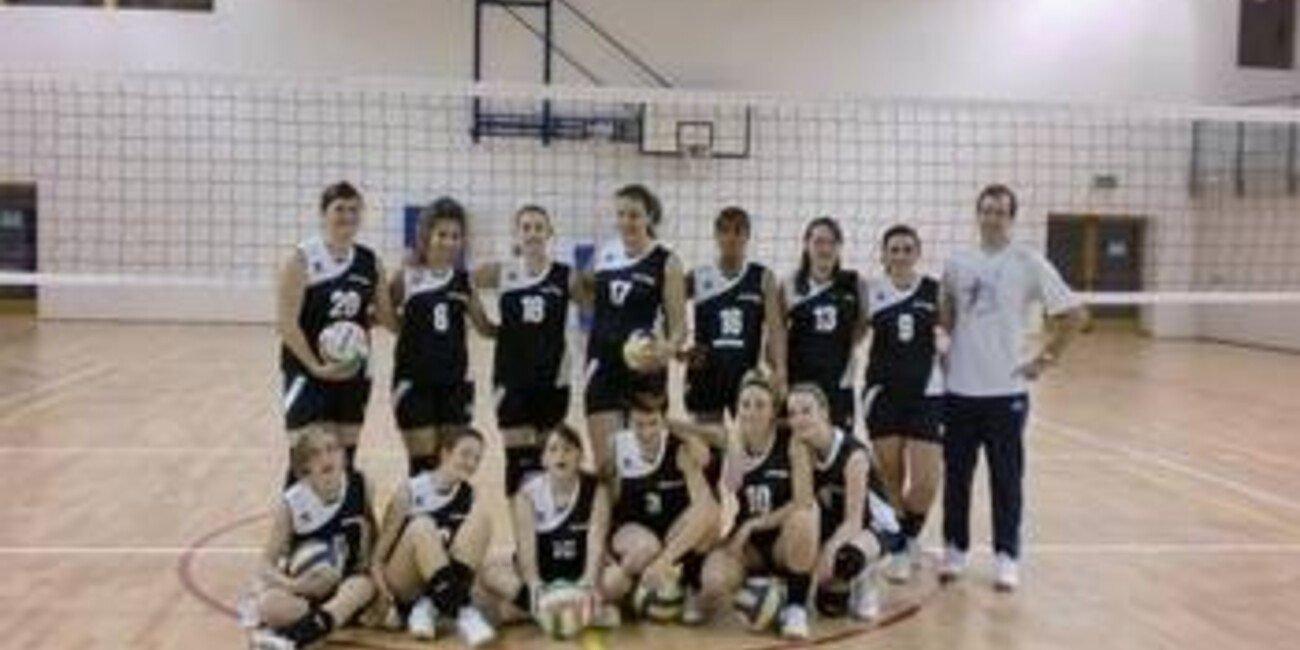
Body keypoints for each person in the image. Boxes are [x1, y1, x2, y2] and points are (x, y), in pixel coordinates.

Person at [939, 183, 1085, 591]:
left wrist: (1044, 360)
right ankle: (954, 550)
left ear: (1011, 218)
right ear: (978, 214)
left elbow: (1074, 315)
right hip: (959, 391)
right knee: (957, 478)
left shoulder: (1028, 262)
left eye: (1000, 212)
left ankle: (1007, 556)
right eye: (986, 210)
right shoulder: (956, 263)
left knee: (1006, 478)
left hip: (1006, 394)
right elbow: (945, 314)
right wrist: (941, 347)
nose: (992, 218)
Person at [277, 182, 395, 479]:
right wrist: (316, 367)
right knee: (305, 458)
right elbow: (287, 324)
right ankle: (297, 510)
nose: (347, 216)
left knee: (344, 458)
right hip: (306, 371)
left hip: (353, 370)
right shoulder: (302, 258)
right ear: (324, 214)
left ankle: (344, 509)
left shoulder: (369, 262)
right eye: (339, 209)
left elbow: (386, 317)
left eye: (354, 209)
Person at [695, 371, 817, 638]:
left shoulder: (792, 443)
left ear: (773, 411)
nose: (752, 412)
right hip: (749, 547)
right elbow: (727, 487)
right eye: (745, 405)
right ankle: (763, 592)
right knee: (714, 582)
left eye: (760, 405)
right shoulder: (732, 443)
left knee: (804, 518)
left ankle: (796, 607)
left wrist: (753, 524)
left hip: (783, 539)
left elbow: (803, 499)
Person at [580, 185, 687, 476]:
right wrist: (598, 316)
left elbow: (679, 327)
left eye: (634, 215)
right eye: (621, 214)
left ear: (649, 217)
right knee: (607, 466)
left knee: (644, 465)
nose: (626, 222)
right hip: (603, 366)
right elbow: (581, 287)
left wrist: (665, 351)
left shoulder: (666, 261)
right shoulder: (603, 254)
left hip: (645, 370)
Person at [862, 224, 945, 582]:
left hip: (927, 394)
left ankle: (909, 534)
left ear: (917, 253)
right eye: (894, 249)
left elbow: (950, 333)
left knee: (926, 481)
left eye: (907, 249)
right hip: (883, 395)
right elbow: (853, 336)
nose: (900, 255)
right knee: (891, 477)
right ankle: (898, 549)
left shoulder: (934, 291)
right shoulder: (871, 292)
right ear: (884, 254)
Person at [474, 205, 575, 496]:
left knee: (549, 460)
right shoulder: (501, 272)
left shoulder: (565, 275)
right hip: (511, 379)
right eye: (526, 227)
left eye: (538, 227)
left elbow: (597, 301)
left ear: (549, 233)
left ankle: (547, 522)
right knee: (518, 460)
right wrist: (484, 326)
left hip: (553, 379)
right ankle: (521, 523)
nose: (532, 233)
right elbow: (460, 283)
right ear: (516, 234)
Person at [245, 428, 378, 650]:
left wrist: (368, 566)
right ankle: (326, 623)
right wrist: (295, 585)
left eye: (331, 449)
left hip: (346, 585)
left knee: (364, 586)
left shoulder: (361, 484)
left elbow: (373, 535)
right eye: (315, 453)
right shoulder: (292, 502)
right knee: (268, 605)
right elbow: (264, 564)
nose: (326, 457)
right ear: (305, 469)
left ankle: (292, 636)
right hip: (305, 593)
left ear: (343, 456)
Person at [391, 197, 496, 475]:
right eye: (442, 234)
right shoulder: (408, 276)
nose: (449, 242)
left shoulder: (463, 280)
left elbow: (485, 327)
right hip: (414, 382)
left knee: (451, 465)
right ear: (426, 235)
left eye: (456, 236)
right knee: (423, 466)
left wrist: (520, 330)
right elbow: (382, 313)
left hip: (455, 384)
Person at [371, 427, 496, 646]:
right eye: (465, 454)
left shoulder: (470, 494)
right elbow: (377, 560)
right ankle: (464, 612)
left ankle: (429, 606)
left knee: (483, 519)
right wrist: (384, 598)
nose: (471, 463)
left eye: (477, 458)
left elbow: (466, 551)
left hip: (436, 583)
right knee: (423, 525)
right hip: (404, 582)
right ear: (445, 453)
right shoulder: (409, 491)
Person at [684, 207, 786, 423]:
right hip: (706, 373)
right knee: (707, 442)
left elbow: (776, 328)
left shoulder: (762, 277)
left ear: (747, 236)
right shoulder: (698, 276)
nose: (731, 237)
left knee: (752, 439)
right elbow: (668, 306)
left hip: (745, 375)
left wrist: (780, 370)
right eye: (725, 231)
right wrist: (675, 349)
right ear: (716, 235)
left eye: (738, 231)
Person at [782, 217, 868, 432]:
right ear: (806, 245)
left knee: (838, 445)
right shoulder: (790, 283)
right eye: (819, 242)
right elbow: (776, 335)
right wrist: (779, 375)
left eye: (832, 242)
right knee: (799, 444)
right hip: (799, 382)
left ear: (839, 247)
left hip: (838, 382)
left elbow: (862, 324)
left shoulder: (854, 282)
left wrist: (848, 350)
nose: (825, 249)